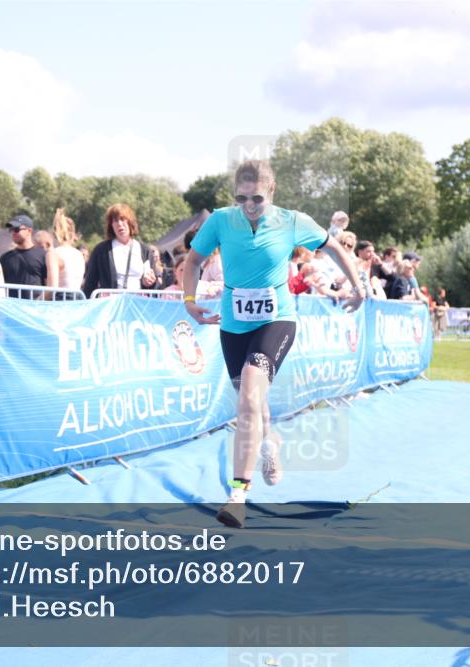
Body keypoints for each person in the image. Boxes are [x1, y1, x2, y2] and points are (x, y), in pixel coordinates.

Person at [183, 160, 365, 529]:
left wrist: (358, 286)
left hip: (276, 320)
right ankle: (270, 443)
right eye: (242, 198)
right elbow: (192, 262)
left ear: (273, 192)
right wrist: (190, 302)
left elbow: (333, 249)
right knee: (251, 402)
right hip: (234, 325)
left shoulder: (292, 220)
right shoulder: (220, 220)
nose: (249, 205)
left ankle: (237, 495)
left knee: (250, 398)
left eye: (257, 199)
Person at [82, 203, 158, 296]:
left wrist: (150, 282)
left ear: (130, 222)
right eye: (115, 221)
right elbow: (90, 283)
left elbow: (155, 285)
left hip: (138, 304)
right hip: (112, 305)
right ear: (111, 225)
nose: (120, 224)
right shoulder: (101, 250)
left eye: (123, 219)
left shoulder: (145, 250)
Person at [0, 214, 48, 299]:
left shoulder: (43, 255)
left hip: (36, 308)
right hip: (11, 308)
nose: (13, 232)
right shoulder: (5, 258)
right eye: (11, 229)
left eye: (17, 229)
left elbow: (48, 283)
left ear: (29, 231)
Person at [45, 208, 85, 300]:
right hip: (79, 300)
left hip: (60, 302)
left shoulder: (53, 253)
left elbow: (52, 288)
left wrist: (35, 302)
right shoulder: (79, 254)